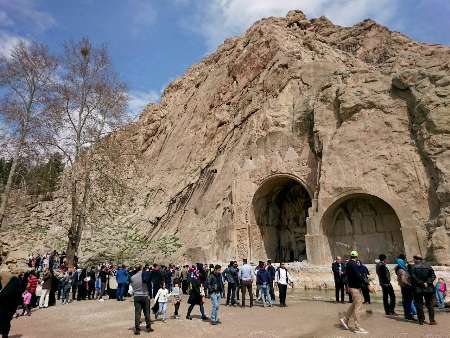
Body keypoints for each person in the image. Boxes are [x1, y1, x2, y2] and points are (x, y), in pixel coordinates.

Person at [339, 251, 369, 334]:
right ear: (357, 256)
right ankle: (357, 327)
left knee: (354, 304)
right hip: (355, 288)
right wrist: (367, 283)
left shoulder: (348, 264)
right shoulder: (353, 264)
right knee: (358, 307)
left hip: (353, 287)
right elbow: (358, 275)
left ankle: (345, 319)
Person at [410, 255, 437, 325]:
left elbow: (413, 278)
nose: (413, 261)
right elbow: (433, 276)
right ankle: (432, 320)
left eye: (414, 259)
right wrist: (428, 282)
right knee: (430, 304)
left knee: (419, 304)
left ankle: (421, 320)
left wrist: (421, 283)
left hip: (418, 288)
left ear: (416, 259)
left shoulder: (413, 267)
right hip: (428, 288)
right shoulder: (428, 266)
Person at [130, 265, 153, 335]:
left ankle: (137, 329)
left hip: (136, 296)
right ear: (141, 269)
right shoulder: (145, 274)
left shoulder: (132, 277)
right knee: (147, 312)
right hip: (145, 295)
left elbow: (132, 287)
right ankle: (148, 327)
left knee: (137, 313)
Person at [0, 270, 23, 338]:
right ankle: (5, 335)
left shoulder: (6, 290)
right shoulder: (16, 291)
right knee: (6, 323)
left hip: (3, 310)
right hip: (9, 311)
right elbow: (18, 301)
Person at [395, 255, 416, 320]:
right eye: (404, 260)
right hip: (406, 287)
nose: (405, 262)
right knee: (408, 301)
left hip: (403, 287)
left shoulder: (399, 268)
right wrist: (410, 285)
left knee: (406, 301)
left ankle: (408, 314)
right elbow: (403, 280)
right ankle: (408, 315)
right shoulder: (402, 270)